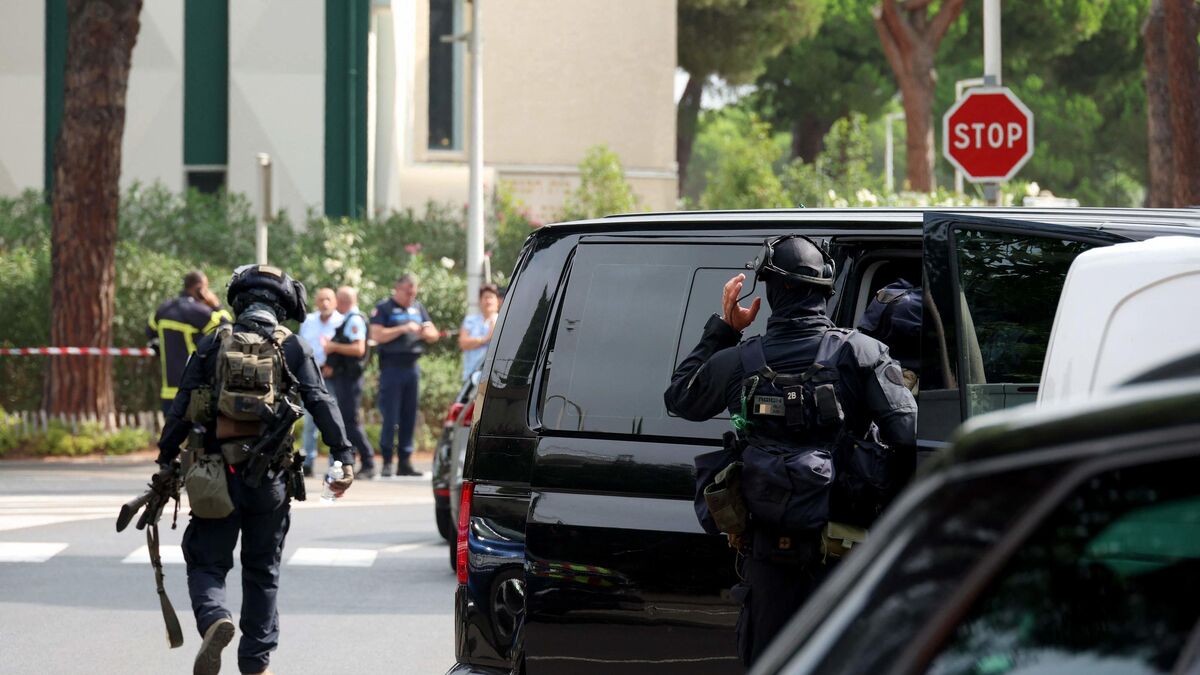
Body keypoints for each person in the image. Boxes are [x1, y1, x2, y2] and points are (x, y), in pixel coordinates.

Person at [663, 235, 917, 667]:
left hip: (768, 563)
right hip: (847, 556)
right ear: (825, 291)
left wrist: (725, 329)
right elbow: (910, 437)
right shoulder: (862, 353)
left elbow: (679, 398)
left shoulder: (738, 361)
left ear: (772, 291)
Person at [154, 264, 356, 675]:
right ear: (282, 307)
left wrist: (165, 459)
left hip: (214, 478)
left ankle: (214, 619)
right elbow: (322, 402)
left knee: (207, 562)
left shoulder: (213, 343)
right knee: (263, 570)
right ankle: (256, 664)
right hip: (271, 480)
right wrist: (344, 456)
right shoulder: (293, 347)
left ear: (240, 302)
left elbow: (180, 408)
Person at [370, 274, 439, 477]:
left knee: (409, 416)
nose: (411, 296)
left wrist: (427, 332)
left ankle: (405, 462)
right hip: (392, 367)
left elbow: (434, 334)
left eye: (414, 292)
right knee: (390, 416)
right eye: (408, 292)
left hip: (412, 367)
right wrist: (402, 328)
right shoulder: (384, 308)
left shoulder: (418, 308)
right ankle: (387, 461)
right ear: (397, 289)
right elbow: (376, 335)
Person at [147, 270, 232, 414]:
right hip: (194, 390)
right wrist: (216, 305)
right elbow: (227, 327)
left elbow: (150, 331)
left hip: (168, 391)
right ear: (199, 289)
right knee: (198, 435)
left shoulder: (163, 309)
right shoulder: (198, 311)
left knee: (172, 435)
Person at [322, 286, 378, 479]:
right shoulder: (348, 319)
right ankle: (351, 462)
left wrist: (332, 346)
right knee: (346, 422)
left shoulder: (354, 320)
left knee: (350, 422)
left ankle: (369, 462)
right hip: (344, 377)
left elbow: (358, 349)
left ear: (343, 300)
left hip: (351, 379)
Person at [297, 287, 342, 476]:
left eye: (328, 299)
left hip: (334, 377)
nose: (325, 303)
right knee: (310, 421)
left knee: (334, 420)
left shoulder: (341, 321)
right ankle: (308, 462)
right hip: (311, 376)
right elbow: (300, 346)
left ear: (335, 302)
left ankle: (336, 462)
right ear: (316, 302)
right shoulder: (308, 321)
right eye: (321, 299)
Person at [458, 283, 502, 382]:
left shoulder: (502, 320)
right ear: (480, 301)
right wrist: (485, 339)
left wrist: (474, 342)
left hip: (493, 377)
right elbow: (463, 343)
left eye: (491, 297)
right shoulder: (470, 320)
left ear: (497, 301)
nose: (488, 301)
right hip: (470, 377)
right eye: (485, 297)